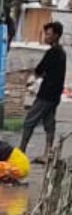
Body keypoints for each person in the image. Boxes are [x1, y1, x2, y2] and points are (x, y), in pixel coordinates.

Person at [20, 21, 66, 162]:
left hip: (46, 94)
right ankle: (48, 153)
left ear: (56, 36)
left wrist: (35, 76)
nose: (46, 37)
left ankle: (21, 150)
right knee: (49, 123)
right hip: (55, 95)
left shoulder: (53, 52)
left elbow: (40, 69)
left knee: (29, 121)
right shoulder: (61, 53)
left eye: (49, 34)